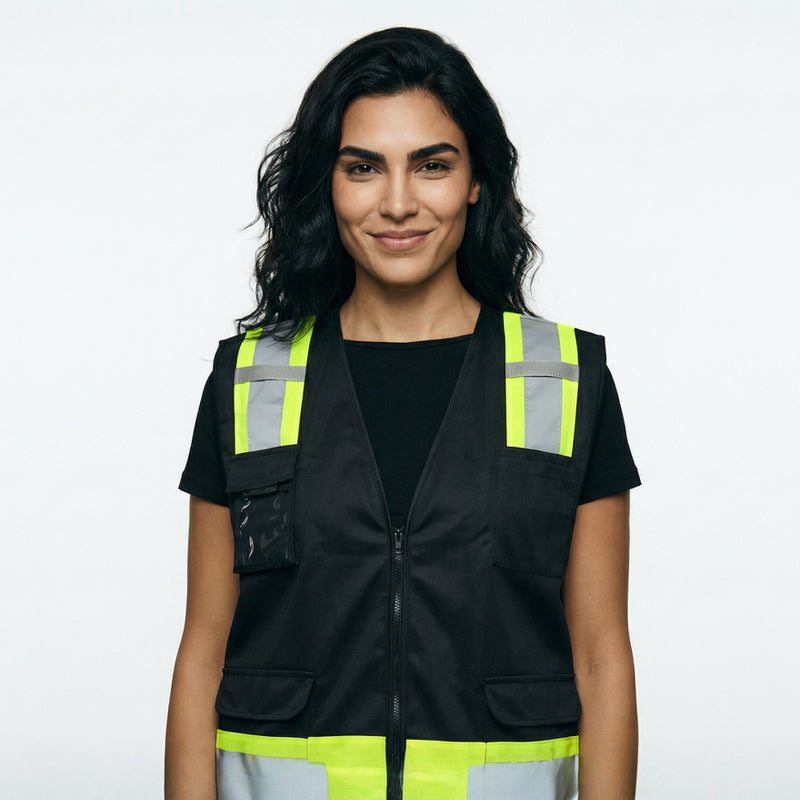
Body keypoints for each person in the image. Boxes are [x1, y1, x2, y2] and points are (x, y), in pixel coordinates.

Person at [165, 27, 640, 800]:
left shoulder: (564, 378)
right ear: (327, 185)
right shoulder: (252, 380)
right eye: (362, 168)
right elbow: (203, 651)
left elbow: (600, 654)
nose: (396, 203)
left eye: (432, 165)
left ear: (477, 181)